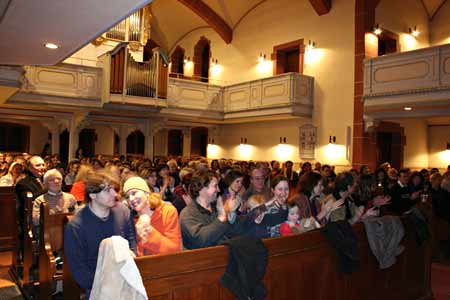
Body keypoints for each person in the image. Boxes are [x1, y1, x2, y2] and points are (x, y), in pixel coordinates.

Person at [64, 171, 136, 299]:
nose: (115, 194)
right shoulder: (76, 226)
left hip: (126, 278)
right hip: (98, 285)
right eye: (108, 190)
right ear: (93, 195)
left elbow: (132, 242)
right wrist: (105, 285)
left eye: (114, 189)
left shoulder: (123, 211)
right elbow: (78, 268)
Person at [179, 171, 241, 249]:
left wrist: (233, 213)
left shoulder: (217, 206)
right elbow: (200, 241)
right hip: (203, 258)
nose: (218, 190)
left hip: (224, 253)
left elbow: (233, 232)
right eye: (215, 186)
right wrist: (221, 217)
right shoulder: (188, 213)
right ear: (201, 188)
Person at [123, 176, 181, 256]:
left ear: (146, 193)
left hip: (168, 265)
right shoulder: (131, 220)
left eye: (134, 193)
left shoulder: (167, 211)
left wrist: (149, 232)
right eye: (127, 197)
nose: (131, 199)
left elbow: (174, 250)